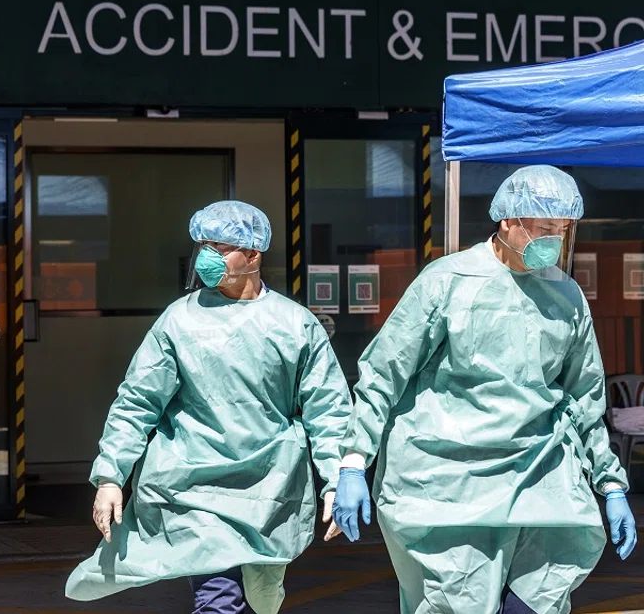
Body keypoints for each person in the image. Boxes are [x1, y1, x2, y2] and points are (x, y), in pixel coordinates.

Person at [328, 165, 637, 614]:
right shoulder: (447, 282)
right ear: (507, 219)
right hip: (449, 482)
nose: (555, 240)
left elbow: (584, 397)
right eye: (545, 227)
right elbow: (383, 374)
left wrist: (610, 485)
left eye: (564, 229)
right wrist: (354, 461)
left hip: (539, 478)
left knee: (537, 600)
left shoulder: (566, 297)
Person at [64, 200, 353, 614]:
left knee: (262, 595)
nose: (206, 258)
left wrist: (336, 478)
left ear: (253, 254)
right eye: (202, 247)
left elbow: (328, 410)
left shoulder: (295, 324)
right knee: (219, 599)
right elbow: (137, 402)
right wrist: (111, 475)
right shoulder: (178, 321)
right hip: (193, 489)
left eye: (219, 249)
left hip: (268, 489)